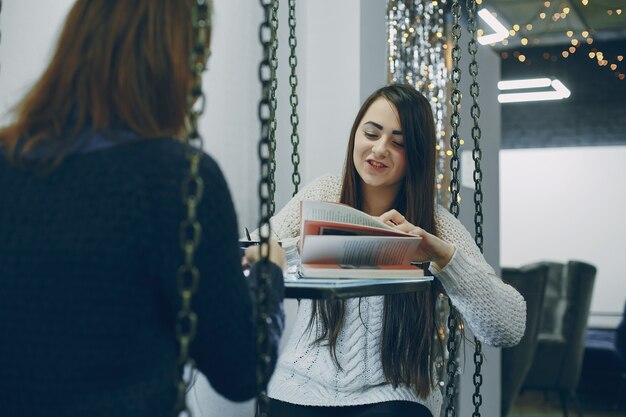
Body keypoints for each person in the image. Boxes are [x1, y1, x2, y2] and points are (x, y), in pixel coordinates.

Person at [0, 1, 285, 417]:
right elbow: (242, 369)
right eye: (198, 67)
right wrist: (267, 276)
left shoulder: (8, 164)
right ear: (176, 67)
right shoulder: (179, 180)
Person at [262, 84, 527, 417]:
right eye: (371, 133)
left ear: (415, 153)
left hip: (393, 392)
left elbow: (508, 327)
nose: (380, 149)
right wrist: (301, 249)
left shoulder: (434, 224)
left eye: (398, 143)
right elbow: (252, 256)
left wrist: (442, 255)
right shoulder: (326, 192)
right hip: (298, 387)